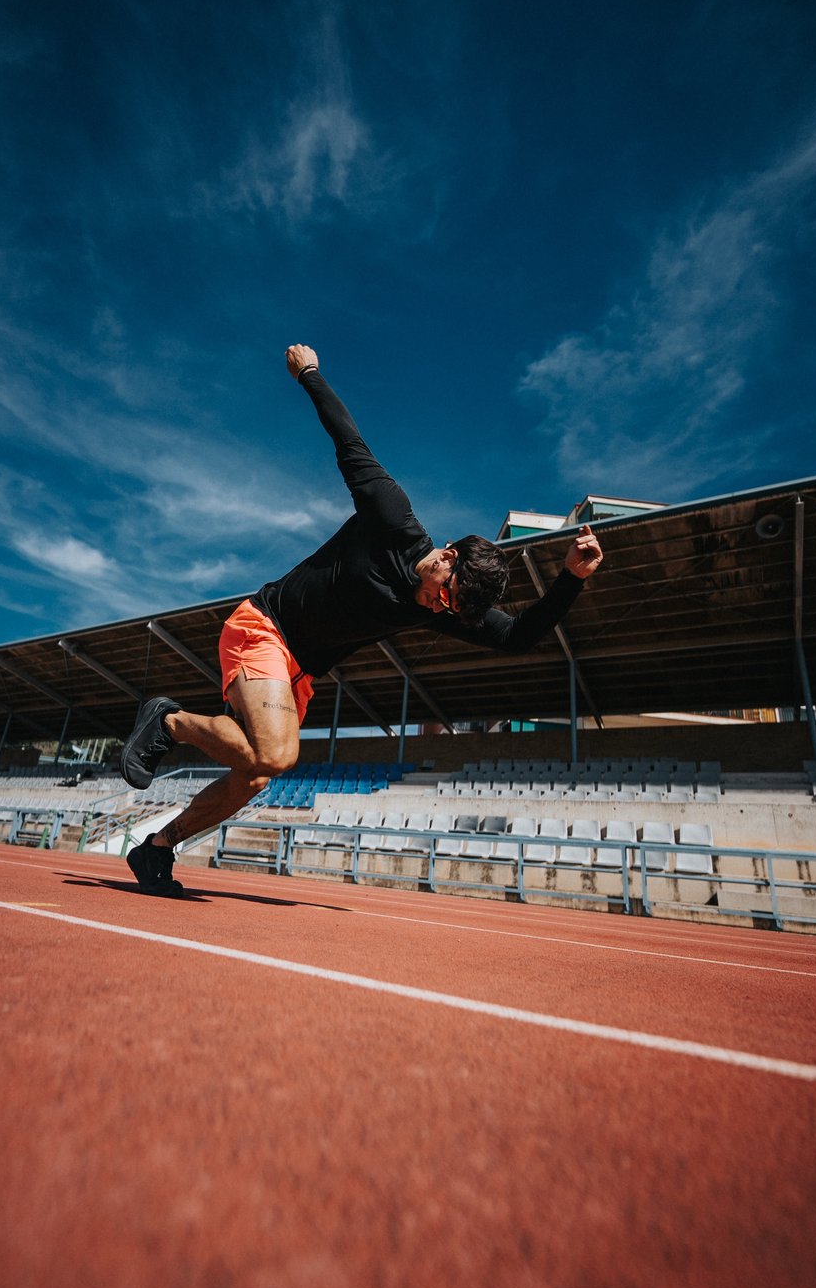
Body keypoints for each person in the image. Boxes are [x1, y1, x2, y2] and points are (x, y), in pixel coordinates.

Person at [120, 344, 603, 896]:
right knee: (277, 755)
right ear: (446, 558)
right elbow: (349, 442)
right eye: (446, 597)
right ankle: (168, 722)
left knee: (255, 774)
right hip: (265, 625)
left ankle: (157, 847)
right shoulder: (391, 516)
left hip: (299, 672)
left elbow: (516, 636)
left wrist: (571, 578)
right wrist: (310, 374)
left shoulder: (435, 607)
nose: (440, 609)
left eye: (452, 610)